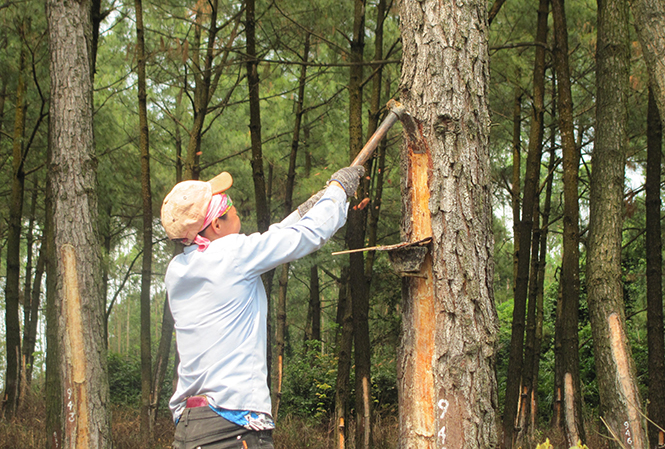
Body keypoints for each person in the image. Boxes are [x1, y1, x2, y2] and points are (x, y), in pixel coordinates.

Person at [160, 165, 364, 449]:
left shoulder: (177, 270)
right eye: (229, 207)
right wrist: (338, 190)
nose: (236, 210)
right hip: (232, 428)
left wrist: (315, 203)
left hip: (189, 427)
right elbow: (309, 234)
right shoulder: (233, 255)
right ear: (217, 226)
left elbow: (275, 236)